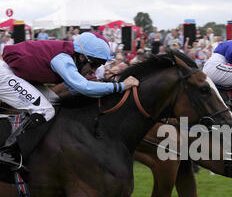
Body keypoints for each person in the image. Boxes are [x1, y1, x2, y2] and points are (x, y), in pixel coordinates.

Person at [0, 32, 139, 168]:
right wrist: (120, 86)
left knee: (53, 101)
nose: (94, 70)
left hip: (13, 73)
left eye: (99, 66)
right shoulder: (62, 58)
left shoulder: (70, 56)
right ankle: (8, 151)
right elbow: (84, 87)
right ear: (82, 57)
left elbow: (76, 89)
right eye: (95, 64)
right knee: (44, 110)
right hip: (5, 73)